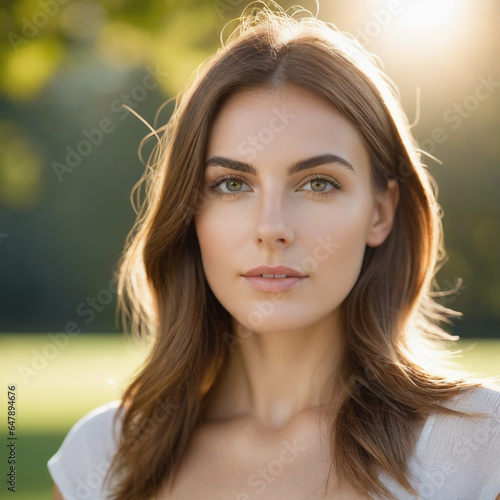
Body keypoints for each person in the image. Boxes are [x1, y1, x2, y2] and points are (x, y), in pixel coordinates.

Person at [48, 2, 500, 499]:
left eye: (319, 184)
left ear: (381, 212)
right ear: (189, 211)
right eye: (231, 185)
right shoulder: (100, 458)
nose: (272, 228)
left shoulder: (479, 449)